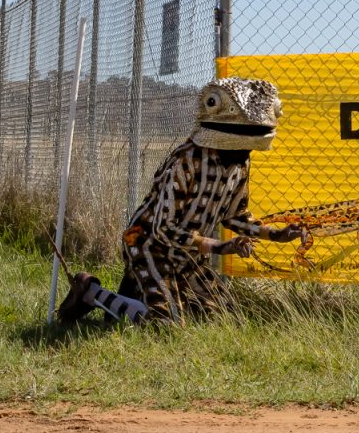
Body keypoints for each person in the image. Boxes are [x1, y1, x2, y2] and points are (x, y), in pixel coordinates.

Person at [57, 77, 302, 325]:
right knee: (167, 322)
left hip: (190, 253)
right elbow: (163, 229)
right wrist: (221, 247)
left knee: (226, 318)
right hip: (149, 245)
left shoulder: (241, 163)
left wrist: (276, 235)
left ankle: (127, 305)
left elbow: (235, 215)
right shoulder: (186, 160)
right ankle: (90, 291)